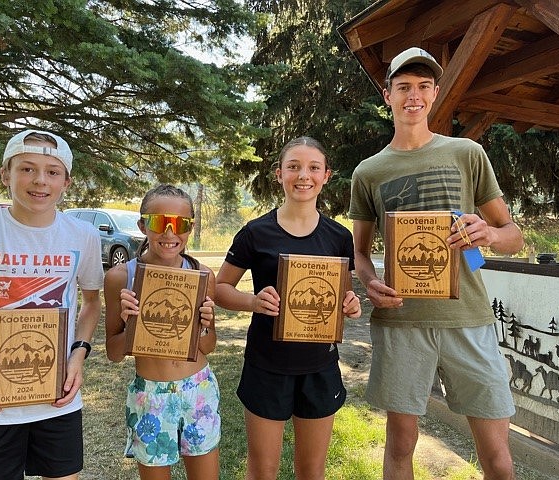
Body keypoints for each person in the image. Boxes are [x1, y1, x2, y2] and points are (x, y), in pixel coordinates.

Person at [349, 47, 524, 480]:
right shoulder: (367, 172)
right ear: (386, 94)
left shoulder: (467, 153)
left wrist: (488, 233)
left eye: (423, 87)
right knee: (401, 447)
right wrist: (369, 282)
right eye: (404, 87)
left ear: (436, 94)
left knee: (497, 456)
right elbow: (359, 252)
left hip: (469, 318)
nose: (414, 96)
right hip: (402, 322)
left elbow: (513, 236)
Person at [0, 129, 104, 479]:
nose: (40, 180)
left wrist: (78, 356)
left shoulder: (83, 237)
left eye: (52, 171)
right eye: (27, 169)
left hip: (57, 400)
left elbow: (92, 303)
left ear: (66, 182)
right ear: (5, 174)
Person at [215, 136, 362, 480]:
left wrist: (350, 305)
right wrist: (253, 301)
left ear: (326, 175)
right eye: (293, 166)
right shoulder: (255, 233)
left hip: (319, 366)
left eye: (313, 167)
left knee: (311, 472)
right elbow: (220, 289)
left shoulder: (339, 237)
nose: (303, 175)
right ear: (279, 174)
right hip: (267, 365)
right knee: (263, 471)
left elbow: (343, 296)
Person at [104, 184, 220, 480]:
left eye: (180, 224)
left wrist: (206, 322)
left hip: (198, 391)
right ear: (143, 225)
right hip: (151, 397)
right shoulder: (121, 277)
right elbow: (114, 353)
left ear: (190, 228)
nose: (169, 233)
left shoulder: (203, 274)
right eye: (159, 222)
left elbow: (209, 345)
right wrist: (130, 322)